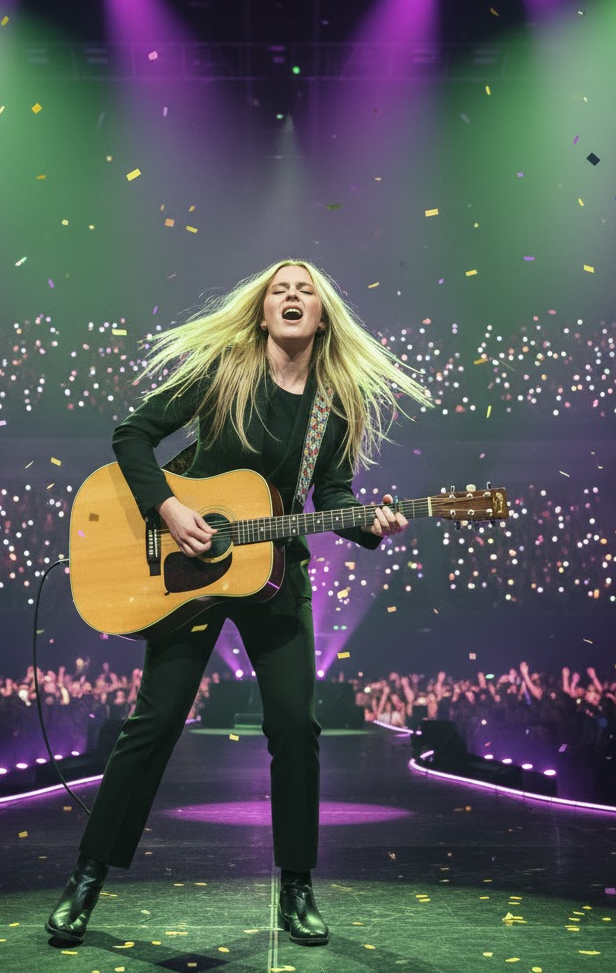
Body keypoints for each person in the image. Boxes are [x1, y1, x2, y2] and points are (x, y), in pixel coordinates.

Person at [45, 260, 432, 947]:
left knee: (295, 726)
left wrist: (367, 521)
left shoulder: (335, 403)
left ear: (321, 315)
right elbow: (131, 435)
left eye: (303, 290)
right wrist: (169, 506)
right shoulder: (225, 372)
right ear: (261, 313)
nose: (290, 296)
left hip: (277, 578)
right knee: (155, 721)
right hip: (189, 568)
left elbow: (332, 494)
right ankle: (86, 877)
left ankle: (298, 886)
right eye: (279, 289)